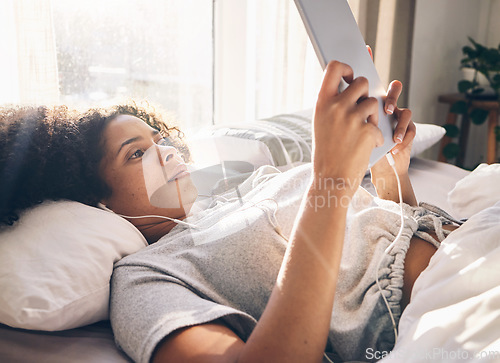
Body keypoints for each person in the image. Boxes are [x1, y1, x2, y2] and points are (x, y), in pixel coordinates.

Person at [0, 61, 458, 362]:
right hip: (451, 306)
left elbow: (382, 248)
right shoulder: (145, 279)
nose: (167, 153)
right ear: (93, 199)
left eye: (159, 140)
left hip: (462, 244)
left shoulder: (241, 192)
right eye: (136, 154)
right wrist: (331, 179)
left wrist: (389, 172)